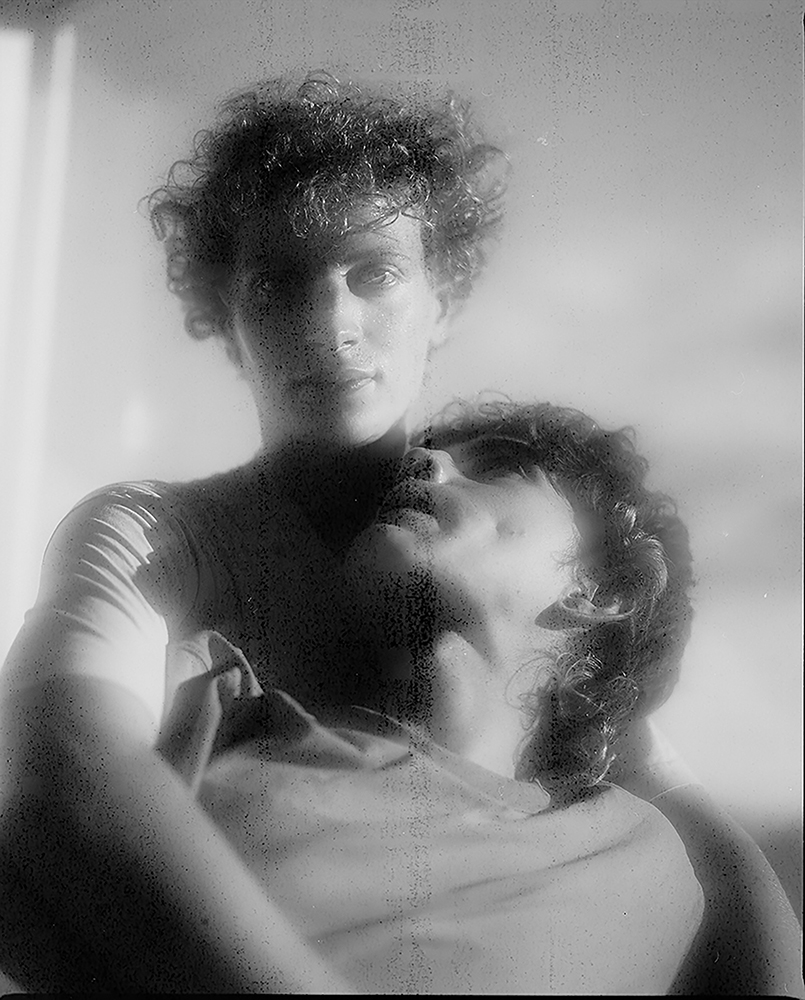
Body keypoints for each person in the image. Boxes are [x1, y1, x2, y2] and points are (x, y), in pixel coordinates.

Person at [0, 71, 506, 993]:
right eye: (277, 283)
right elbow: (63, 766)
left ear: (445, 300)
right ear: (226, 322)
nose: (330, 322)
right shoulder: (150, 535)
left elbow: (686, 829)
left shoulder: (512, 544)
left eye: (376, 273)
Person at [152, 399, 704, 994]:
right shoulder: (208, 695)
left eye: (496, 465)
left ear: (599, 589)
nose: (421, 461)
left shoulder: (627, 848)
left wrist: (623, 718)